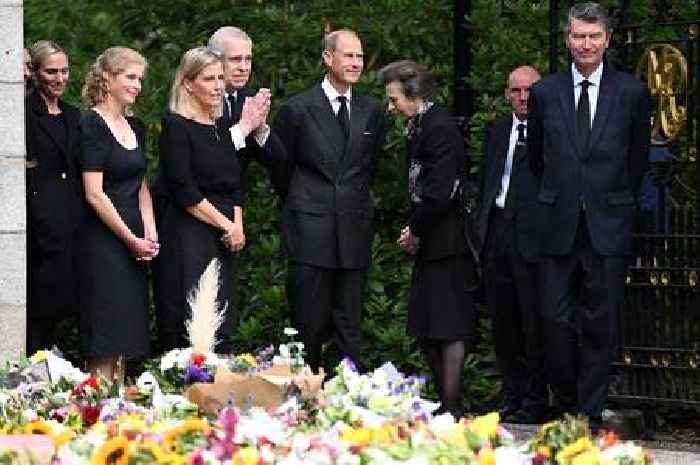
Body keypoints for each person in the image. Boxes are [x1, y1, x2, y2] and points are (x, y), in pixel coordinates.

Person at [527, 2, 650, 430]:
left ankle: (590, 411)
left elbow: (636, 163)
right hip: (557, 221)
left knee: (601, 320)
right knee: (554, 319)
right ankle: (564, 404)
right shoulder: (545, 93)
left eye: (593, 36)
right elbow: (537, 159)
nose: (586, 44)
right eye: (578, 36)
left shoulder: (631, 92)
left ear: (607, 40)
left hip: (608, 223)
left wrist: (608, 198)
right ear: (567, 39)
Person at [273, 29, 385, 373]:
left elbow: (370, 167)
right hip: (309, 229)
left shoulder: (372, 110)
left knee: (349, 321)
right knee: (307, 320)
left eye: (360, 56)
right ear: (327, 58)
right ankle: (303, 395)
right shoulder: (296, 109)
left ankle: (346, 397)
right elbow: (280, 170)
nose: (355, 63)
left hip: (353, 227)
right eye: (348, 55)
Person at [379, 60, 476, 418]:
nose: (390, 107)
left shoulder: (439, 127)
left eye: (394, 99)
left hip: (447, 243)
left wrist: (414, 230)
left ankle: (452, 407)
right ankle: (448, 405)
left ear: (414, 94)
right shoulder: (420, 125)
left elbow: (438, 192)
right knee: (426, 324)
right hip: (432, 240)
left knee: (447, 326)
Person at [153, 47, 246, 353]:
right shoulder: (175, 124)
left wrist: (238, 227)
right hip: (188, 231)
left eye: (221, 78)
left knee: (222, 314)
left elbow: (234, 183)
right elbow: (185, 190)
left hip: (223, 234)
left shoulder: (220, 126)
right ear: (188, 83)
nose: (219, 85)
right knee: (189, 315)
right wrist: (226, 226)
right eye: (209, 78)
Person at [79, 47, 158, 381]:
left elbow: (140, 185)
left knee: (127, 335)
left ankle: (117, 417)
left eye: (140, 78)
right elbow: (94, 194)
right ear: (108, 78)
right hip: (104, 241)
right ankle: (92, 415)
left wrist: (150, 232)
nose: (137, 85)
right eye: (130, 77)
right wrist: (130, 239)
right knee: (105, 336)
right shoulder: (92, 125)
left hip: (135, 241)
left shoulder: (135, 126)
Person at [477, 65, 547, 423]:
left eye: (529, 92)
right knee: (503, 324)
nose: (522, 98)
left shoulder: (550, 132)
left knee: (533, 323)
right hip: (498, 235)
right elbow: (487, 182)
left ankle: (536, 402)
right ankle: (512, 397)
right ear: (506, 94)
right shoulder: (496, 131)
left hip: (533, 239)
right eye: (515, 91)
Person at [25, 41, 82, 355]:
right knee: (38, 312)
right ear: (35, 72)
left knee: (61, 311)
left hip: (69, 226)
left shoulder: (73, 116)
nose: (60, 78)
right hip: (38, 228)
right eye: (51, 71)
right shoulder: (23, 113)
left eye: (64, 71)